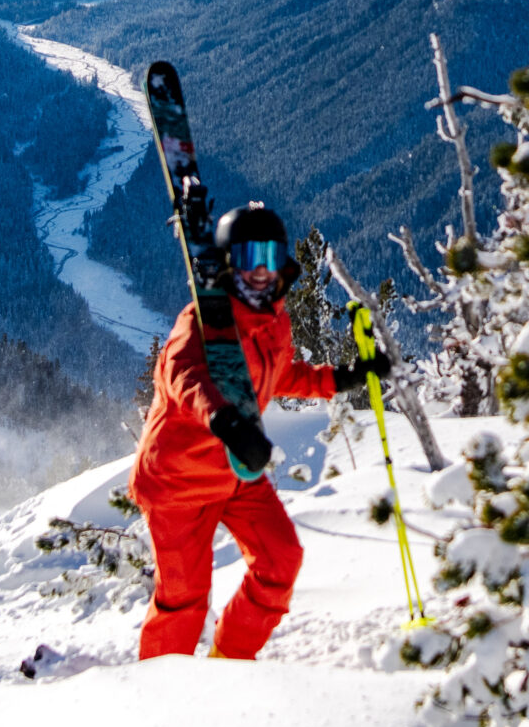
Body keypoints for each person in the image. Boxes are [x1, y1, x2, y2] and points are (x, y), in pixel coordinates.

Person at [131, 201, 389, 659]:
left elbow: (279, 376)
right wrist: (226, 423)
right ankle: (159, 696)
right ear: (230, 263)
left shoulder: (274, 319)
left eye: (270, 258)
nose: (261, 272)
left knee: (280, 560)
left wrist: (341, 377)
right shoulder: (201, 321)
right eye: (249, 259)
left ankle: (231, 662)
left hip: (235, 471)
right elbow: (183, 377)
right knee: (184, 600)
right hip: (179, 480)